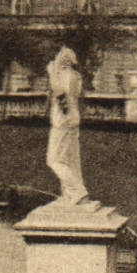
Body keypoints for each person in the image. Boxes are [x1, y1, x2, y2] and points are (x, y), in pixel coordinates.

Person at [45, 46, 87, 205]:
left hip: (63, 119)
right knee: (70, 159)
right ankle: (70, 194)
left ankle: (77, 191)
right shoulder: (76, 75)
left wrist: (52, 74)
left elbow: (61, 94)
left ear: (62, 60)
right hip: (72, 118)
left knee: (54, 159)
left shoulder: (64, 75)